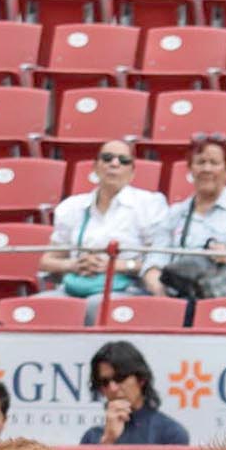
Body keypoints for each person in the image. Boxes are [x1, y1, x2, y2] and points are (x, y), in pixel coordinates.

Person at [140, 135, 226, 307]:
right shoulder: (174, 214)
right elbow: (155, 261)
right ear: (190, 170)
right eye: (200, 162)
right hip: (179, 298)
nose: (206, 169)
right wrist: (161, 295)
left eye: (214, 163)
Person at [40, 136, 165, 319]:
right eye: (107, 158)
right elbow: (47, 260)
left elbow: (159, 260)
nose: (114, 164)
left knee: (95, 306)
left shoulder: (149, 204)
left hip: (128, 287)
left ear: (132, 172)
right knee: (37, 305)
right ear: (95, 167)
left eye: (123, 160)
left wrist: (115, 266)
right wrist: (74, 264)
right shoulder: (72, 206)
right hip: (76, 286)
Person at [79, 340, 189, 446]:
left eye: (120, 378)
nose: (112, 388)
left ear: (141, 379)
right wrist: (108, 441)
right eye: (105, 382)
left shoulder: (170, 434)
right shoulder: (92, 438)